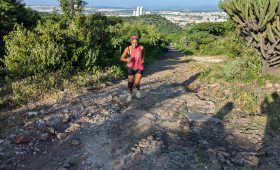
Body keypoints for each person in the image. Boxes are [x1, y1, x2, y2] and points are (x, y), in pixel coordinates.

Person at [120, 35, 145, 102]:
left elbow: (143, 54)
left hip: (139, 67)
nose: (134, 44)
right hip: (131, 68)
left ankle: (138, 91)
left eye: (136, 43)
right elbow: (121, 58)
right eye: (133, 42)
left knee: (136, 83)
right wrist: (127, 60)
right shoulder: (128, 48)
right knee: (130, 84)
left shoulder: (141, 48)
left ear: (138, 42)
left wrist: (142, 59)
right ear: (131, 42)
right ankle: (130, 95)